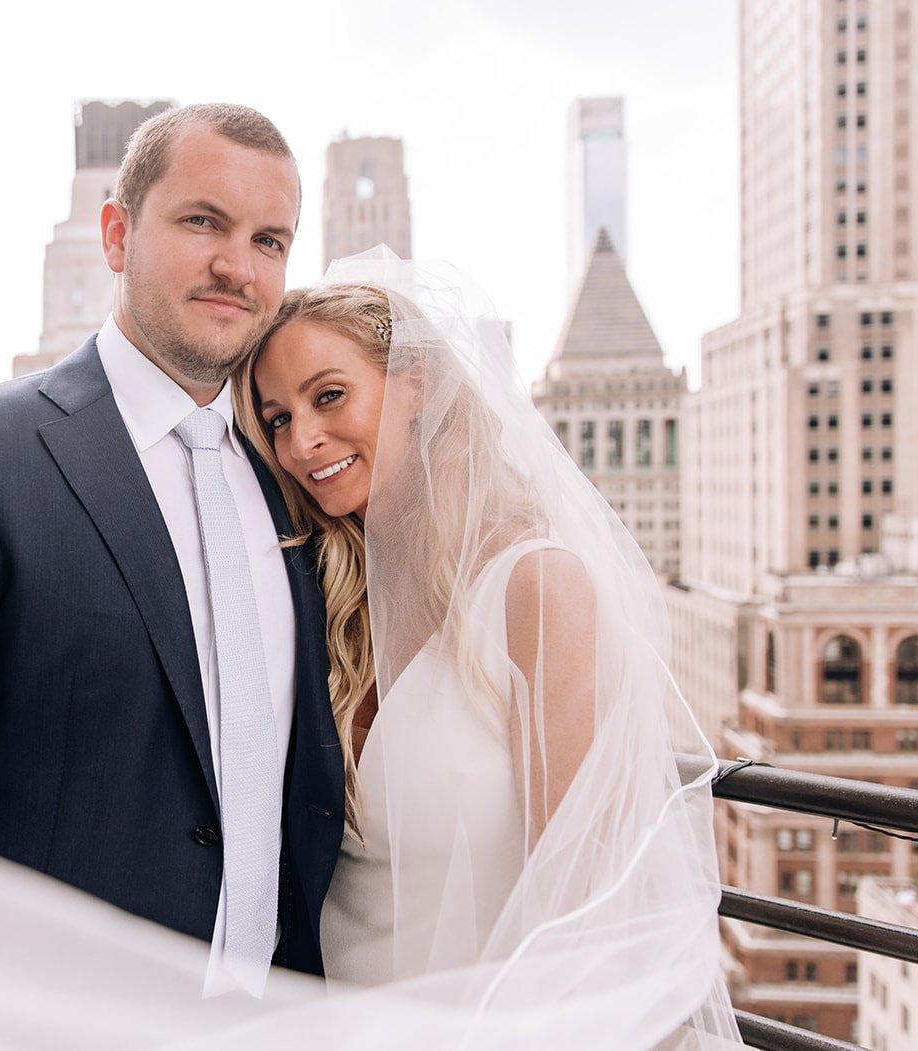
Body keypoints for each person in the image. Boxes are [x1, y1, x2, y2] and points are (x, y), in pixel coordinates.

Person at [0, 103, 345, 994]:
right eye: (202, 222)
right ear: (116, 235)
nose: (238, 264)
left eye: (270, 241)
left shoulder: (289, 479)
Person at [231, 249, 742, 1046]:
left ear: (416, 385)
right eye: (277, 419)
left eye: (329, 396)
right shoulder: (333, 604)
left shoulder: (535, 589)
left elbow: (586, 902)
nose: (302, 441)